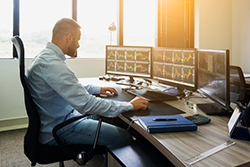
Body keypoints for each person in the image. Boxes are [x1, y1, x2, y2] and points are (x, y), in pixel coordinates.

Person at [26, 18, 148, 165]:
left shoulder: (45, 58)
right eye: (78, 40)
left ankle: (104, 155)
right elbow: (87, 104)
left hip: (58, 120)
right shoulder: (53, 65)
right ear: (69, 38)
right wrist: (130, 105)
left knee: (100, 115)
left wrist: (98, 89)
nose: (78, 44)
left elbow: (69, 87)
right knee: (124, 137)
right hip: (60, 129)